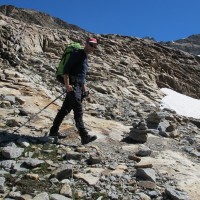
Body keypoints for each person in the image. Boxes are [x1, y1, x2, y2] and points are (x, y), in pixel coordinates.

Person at [49, 37, 98, 145]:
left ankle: (53, 131)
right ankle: (84, 136)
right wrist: (67, 85)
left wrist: (85, 90)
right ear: (86, 43)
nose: (92, 48)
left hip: (78, 87)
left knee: (64, 110)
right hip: (73, 87)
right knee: (78, 110)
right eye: (91, 45)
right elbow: (67, 69)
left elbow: (82, 77)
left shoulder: (85, 57)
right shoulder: (78, 54)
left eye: (94, 46)